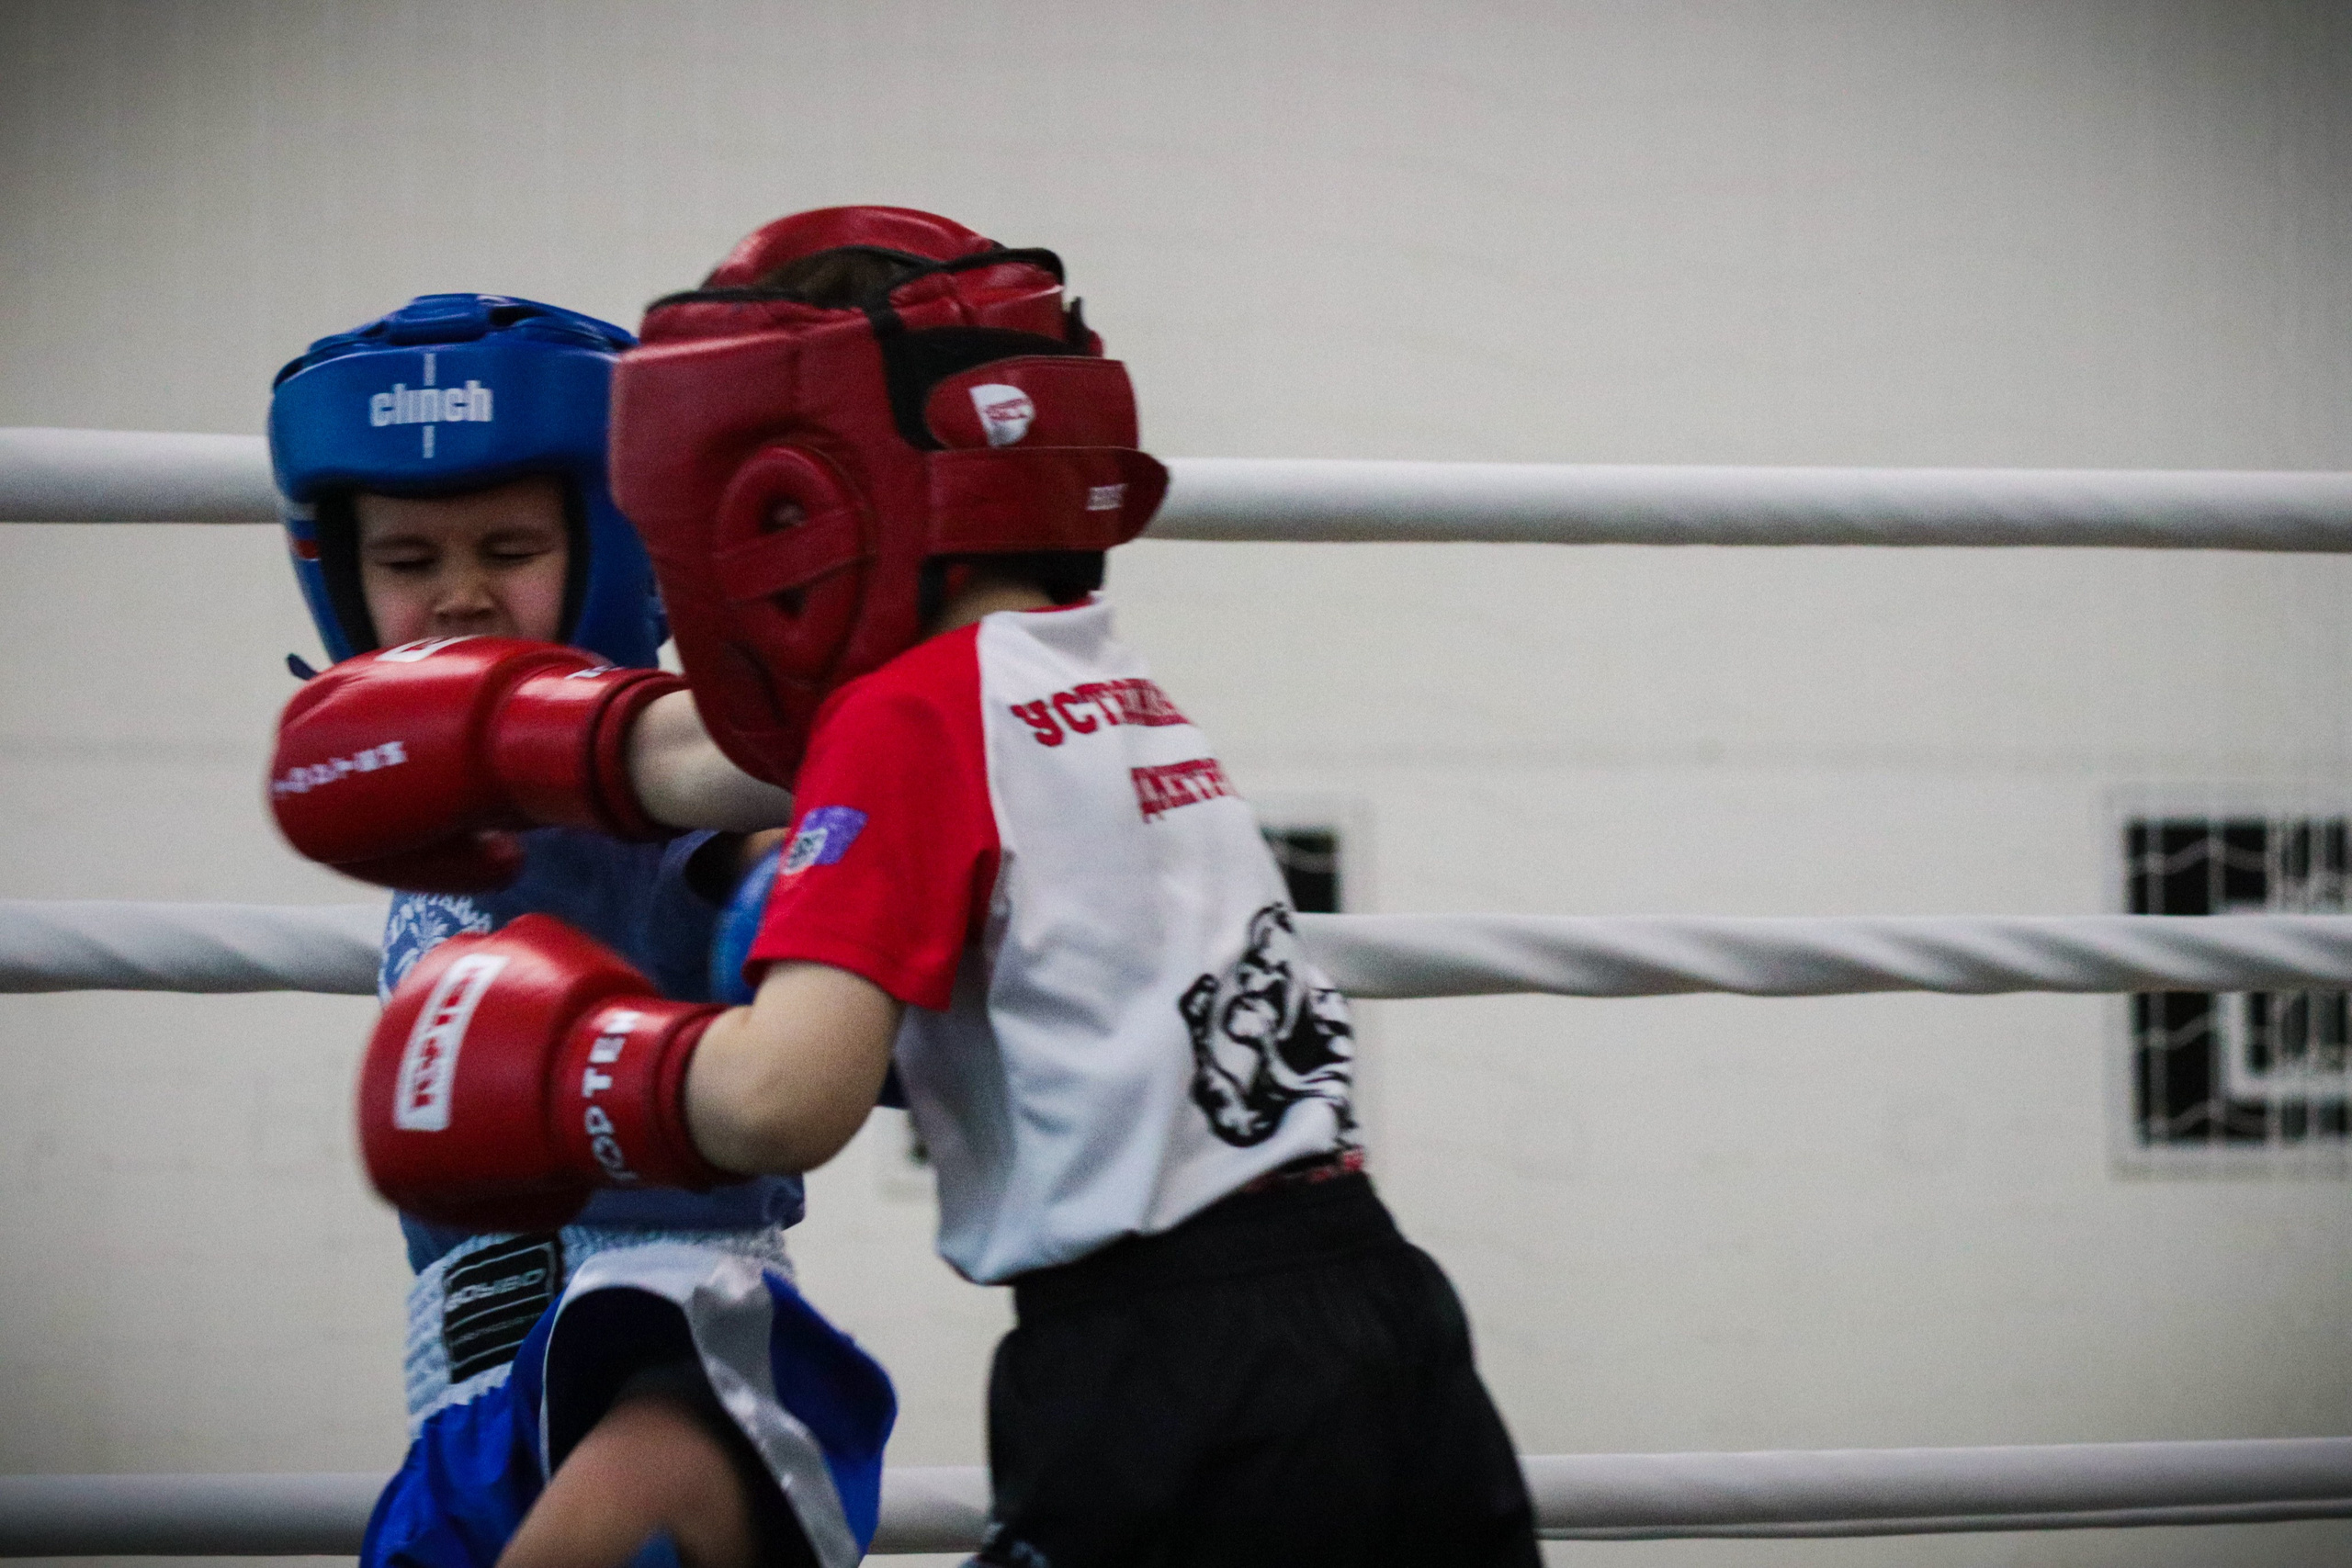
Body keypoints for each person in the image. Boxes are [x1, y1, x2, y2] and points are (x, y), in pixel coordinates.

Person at [271, 210, 1537, 1567]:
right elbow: (718, 762)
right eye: (410, 562)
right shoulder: (1108, 684)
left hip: (1163, 1358)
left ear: (790, 506)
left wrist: (546, 1069)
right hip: (1377, 1304)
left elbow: (783, 1095)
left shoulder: (904, 718)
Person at [266, 294, 891, 1568]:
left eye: (508, 546)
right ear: (340, 575)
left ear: (612, 550)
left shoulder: (651, 775)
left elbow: (773, 813)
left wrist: (791, 889)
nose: (458, 598)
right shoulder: (425, 806)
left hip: (654, 1359)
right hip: (468, 1411)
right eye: (408, 562)